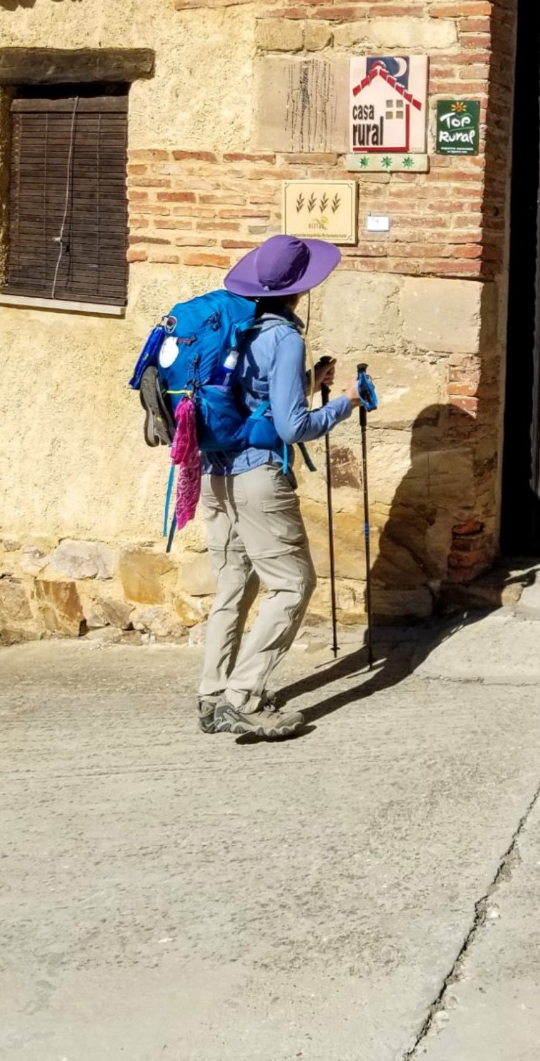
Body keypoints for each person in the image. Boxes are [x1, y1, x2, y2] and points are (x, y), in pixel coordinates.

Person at [198, 233, 358, 741]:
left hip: (215, 473)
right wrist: (346, 403)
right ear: (300, 289)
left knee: (234, 585)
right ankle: (242, 698)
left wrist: (308, 381)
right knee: (292, 585)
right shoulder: (285, 338)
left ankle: (212, 695)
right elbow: (293, 428)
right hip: (257, 480)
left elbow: (252, 403)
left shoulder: (235, 327)